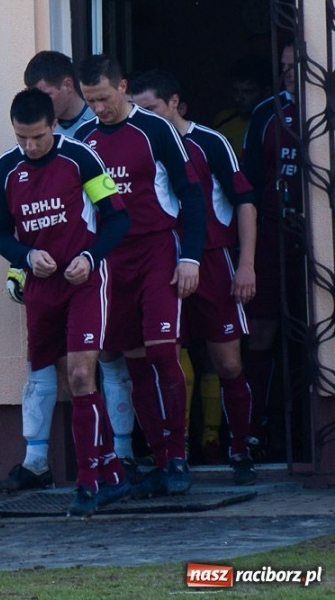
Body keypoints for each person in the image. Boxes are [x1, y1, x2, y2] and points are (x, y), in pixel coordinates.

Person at [0, 88, 132, 516]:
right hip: (41, 285)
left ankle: (88, 484)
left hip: (84, 280)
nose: (30, 147)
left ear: (54, 126)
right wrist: (26, 256)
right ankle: (112, 471)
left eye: (37, 137)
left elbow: (118, 216)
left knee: (83, 373)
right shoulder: (6, 168)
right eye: (21, 138)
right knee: (66, 379)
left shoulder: (81, 158)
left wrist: (90, 257)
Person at [75, 55, 207, 498]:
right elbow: (84, 212)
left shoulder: (155, 131)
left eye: (106, 98)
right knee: (131, 361)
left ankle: (178, 456)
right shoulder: (85, 141)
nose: (100, 109)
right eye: (91, 101)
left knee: (162, 351)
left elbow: (191, 195)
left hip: (156, 249)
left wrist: (190, 256)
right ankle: (156, 457)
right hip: (114, 259)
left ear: (123, 87)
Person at [130, 69, 258, 485]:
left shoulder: (210, 142)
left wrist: (246, 264)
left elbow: (245, 202)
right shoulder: (138, 144)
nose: (142, 116)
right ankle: (172, 455)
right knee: (162, 360)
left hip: (212, 261)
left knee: (228, 362)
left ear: (175, 104)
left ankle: (240, 448)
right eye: (137, 109)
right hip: (160, 263)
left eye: (149, 108)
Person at [241, 41, 302, 459]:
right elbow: (247, 184)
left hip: (316, 245)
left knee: (312, 338)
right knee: (261, 332)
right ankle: (255, 427)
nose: (287, 75)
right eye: (281, 68)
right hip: (271, 239)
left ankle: (304, 428)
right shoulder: (266, 113)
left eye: (293, 66)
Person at [212, 55, 272, 159]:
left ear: (267, 92)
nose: (238, 98)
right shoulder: (223, 120)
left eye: (247, 92)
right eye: (235, 91)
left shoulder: (274, 124)